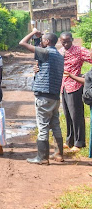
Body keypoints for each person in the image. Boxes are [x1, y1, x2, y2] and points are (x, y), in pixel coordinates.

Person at [19, 28, 65, 164]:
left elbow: (22, 43)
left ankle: (42, 157)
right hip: (55, 96)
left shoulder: (45, 52)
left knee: (43, 126)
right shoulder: (58, 55)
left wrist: (33, 33)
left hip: (43, 96)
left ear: (47, 41)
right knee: (55, 124)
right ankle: (58, 154)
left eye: (43, 39)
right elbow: (44, 66)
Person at [58, 32, 91, 152]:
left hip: (75, 85)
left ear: (72, 40)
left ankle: (79, 142)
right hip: (63, 86)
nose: (65, 43)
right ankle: (69, 140)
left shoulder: (79, 50)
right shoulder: (60, 51)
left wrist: (86, 76)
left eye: (67, 41)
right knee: (67, 115)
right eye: (63, 41)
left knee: (76, 115)